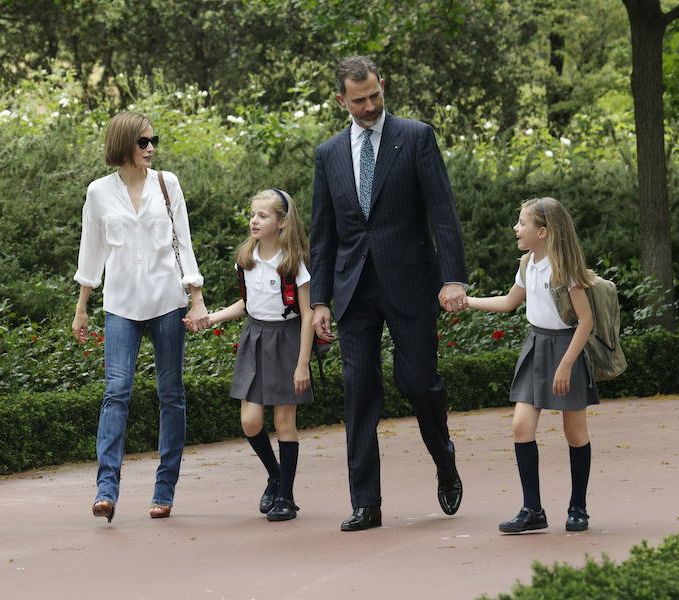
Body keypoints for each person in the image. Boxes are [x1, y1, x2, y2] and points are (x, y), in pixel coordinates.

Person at [310, 56, 468, 532]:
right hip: (353, 289)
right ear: (342, 101)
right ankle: (366, 503)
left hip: (412, 281)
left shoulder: (416, 136)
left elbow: (443, 210)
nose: (370, 105)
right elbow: (322, 235)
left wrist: (454, 277)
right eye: (359, 100)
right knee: (359, 392)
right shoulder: (328, 153)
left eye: (375, 95)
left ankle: (444, 458)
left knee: (419, 383)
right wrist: (319, 300)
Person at [72, 111, 208, 524]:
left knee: (171, 394)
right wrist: (82, 305)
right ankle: (105, 491)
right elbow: (91, 250)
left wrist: (196, 296)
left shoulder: (168, 184)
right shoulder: (98, 192)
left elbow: (182, 240)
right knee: (116, 391)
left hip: (168, 301)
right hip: (120, 306)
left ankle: (164, 490)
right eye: (143, 141)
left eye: (154, 141)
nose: (151, 148)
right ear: (123, 145)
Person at [465, 197, 597, 533]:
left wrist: (566, 365)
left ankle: (578, 509)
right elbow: (510, 302)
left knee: (575, 432)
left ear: (543, 231)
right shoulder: (527, 264)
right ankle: (532, 510)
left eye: (522, 223)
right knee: (521, 427)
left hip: (566, 349)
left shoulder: (564, 268)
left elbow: (585, 322)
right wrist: (467, 301)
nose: (516, 229)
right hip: (536, 345)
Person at [186, 188, 314, 521]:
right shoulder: (247, 258)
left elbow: (308, 314)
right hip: (255, 338)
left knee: (284, 422)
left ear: (282, 222)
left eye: (262, 215)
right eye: (253, 214)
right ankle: (275, 474)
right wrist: (210, 317)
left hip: (286, 341)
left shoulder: (294, 263)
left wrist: (302, 364)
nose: (253, 221)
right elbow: (248, 304)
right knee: (250, 422)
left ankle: (286, 497)